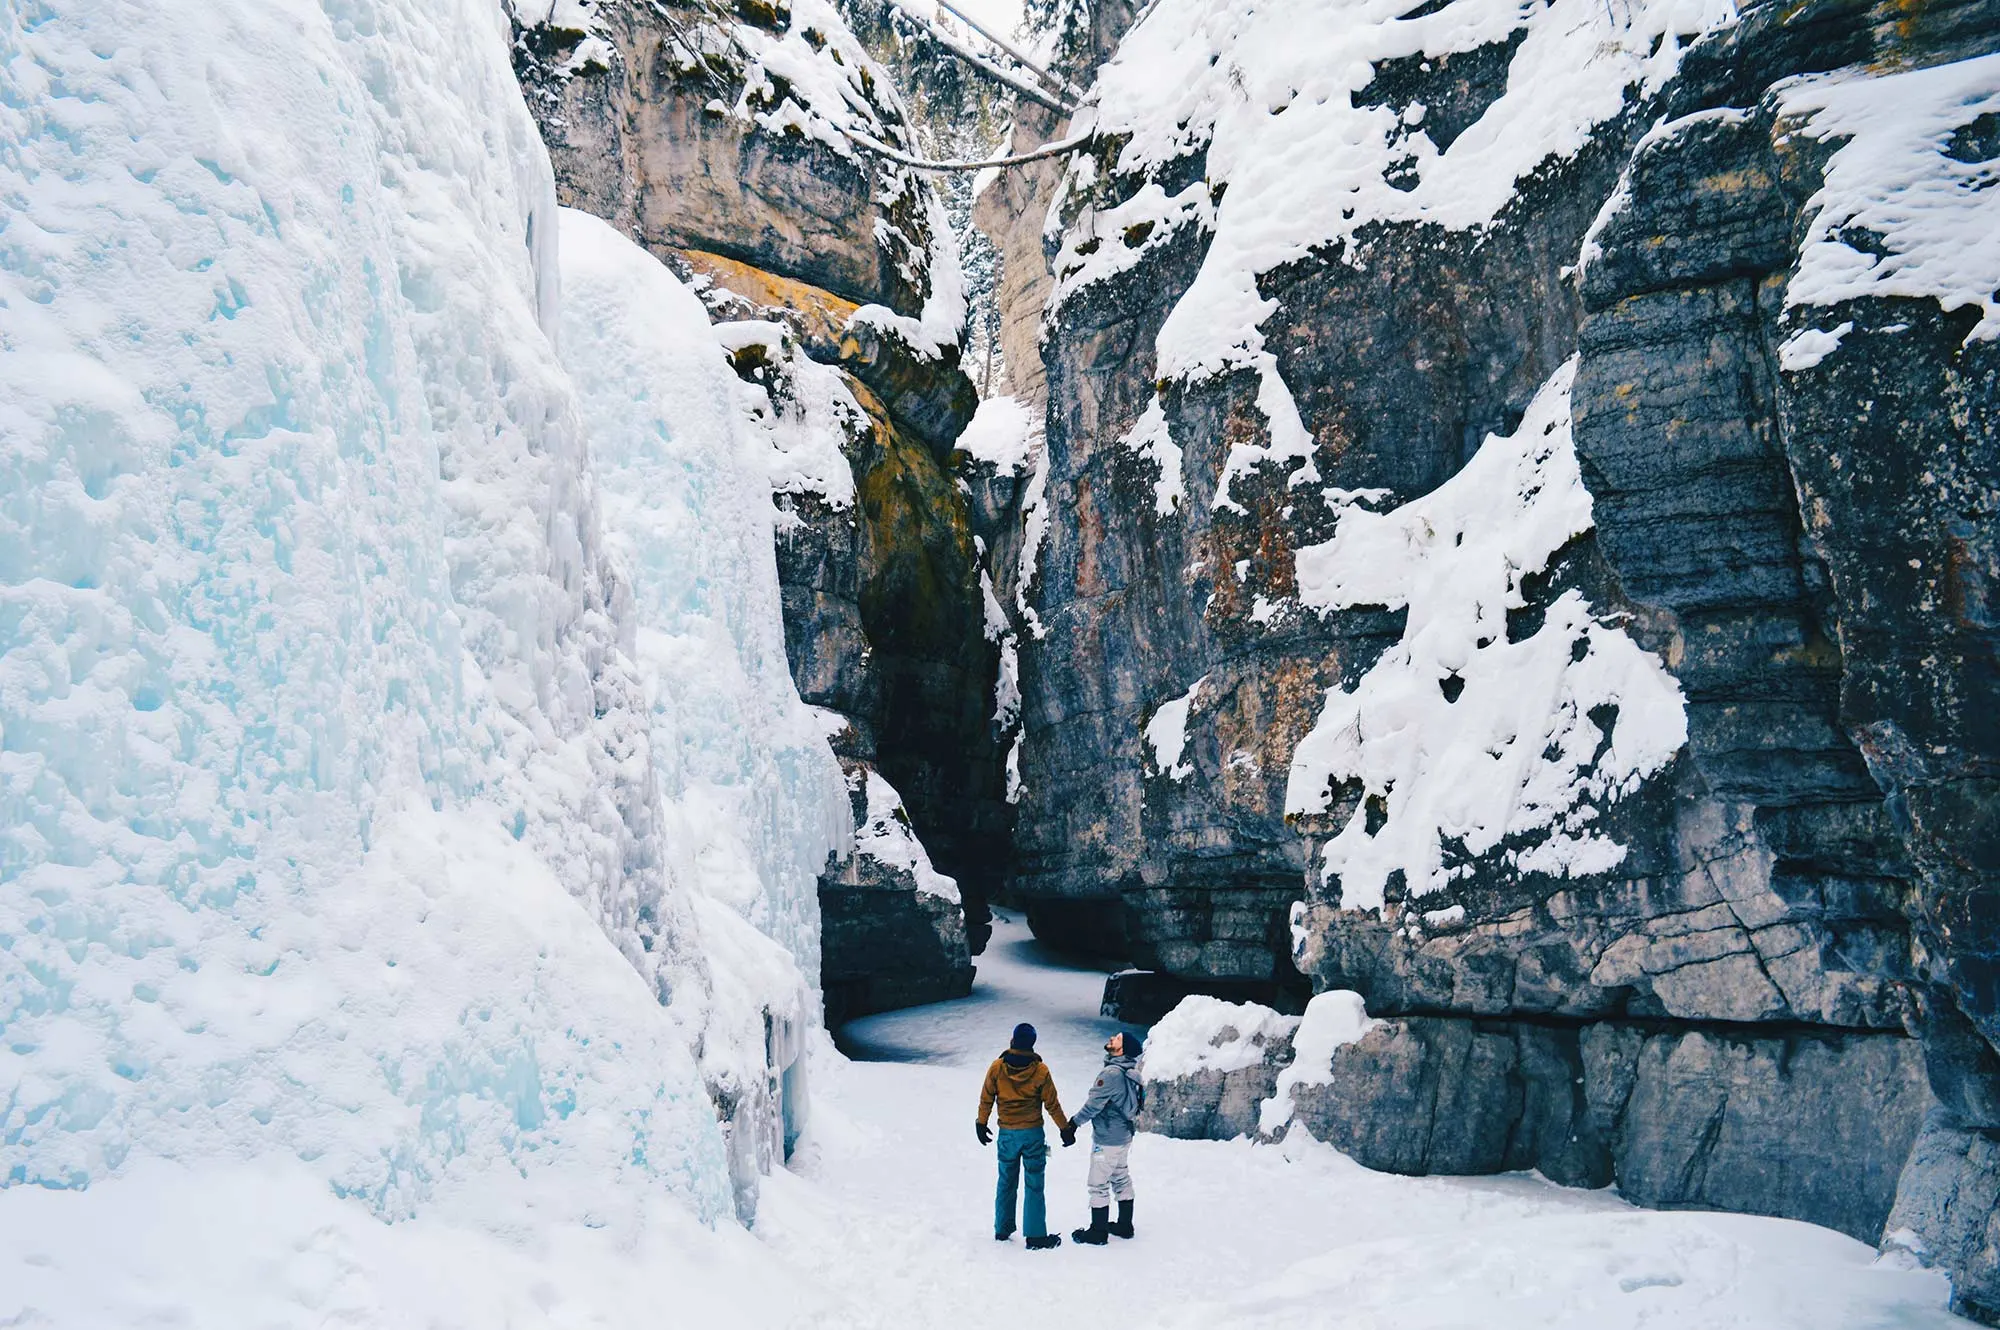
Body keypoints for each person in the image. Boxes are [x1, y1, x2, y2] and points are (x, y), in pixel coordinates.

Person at [977, 1022, 1073, 1250]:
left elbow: (986, 1098)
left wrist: (981, 1123)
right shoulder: (1040, 1070)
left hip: (1007, 1133)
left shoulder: (997, 1067)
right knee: (1034, 1183)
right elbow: (1052, 1104)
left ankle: (1002, 1229)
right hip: (1032, 1134)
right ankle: (1036, 1236)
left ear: (1013, 1040)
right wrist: (1065, 1128)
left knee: (1006, 1181)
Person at [1062, 1029, 1144, 1245]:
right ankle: (1125, 1225)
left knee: (1098, 1183)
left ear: (1123, 1049)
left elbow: (1093, 1105)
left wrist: (1072, 1125)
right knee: (1120, 1177)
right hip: (1124, 1138)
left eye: (1117, 1038)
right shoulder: (1131, 1073)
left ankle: (1098, 1232)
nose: (1111, 1038)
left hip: (1106, 1141)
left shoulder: (1111, 1075)